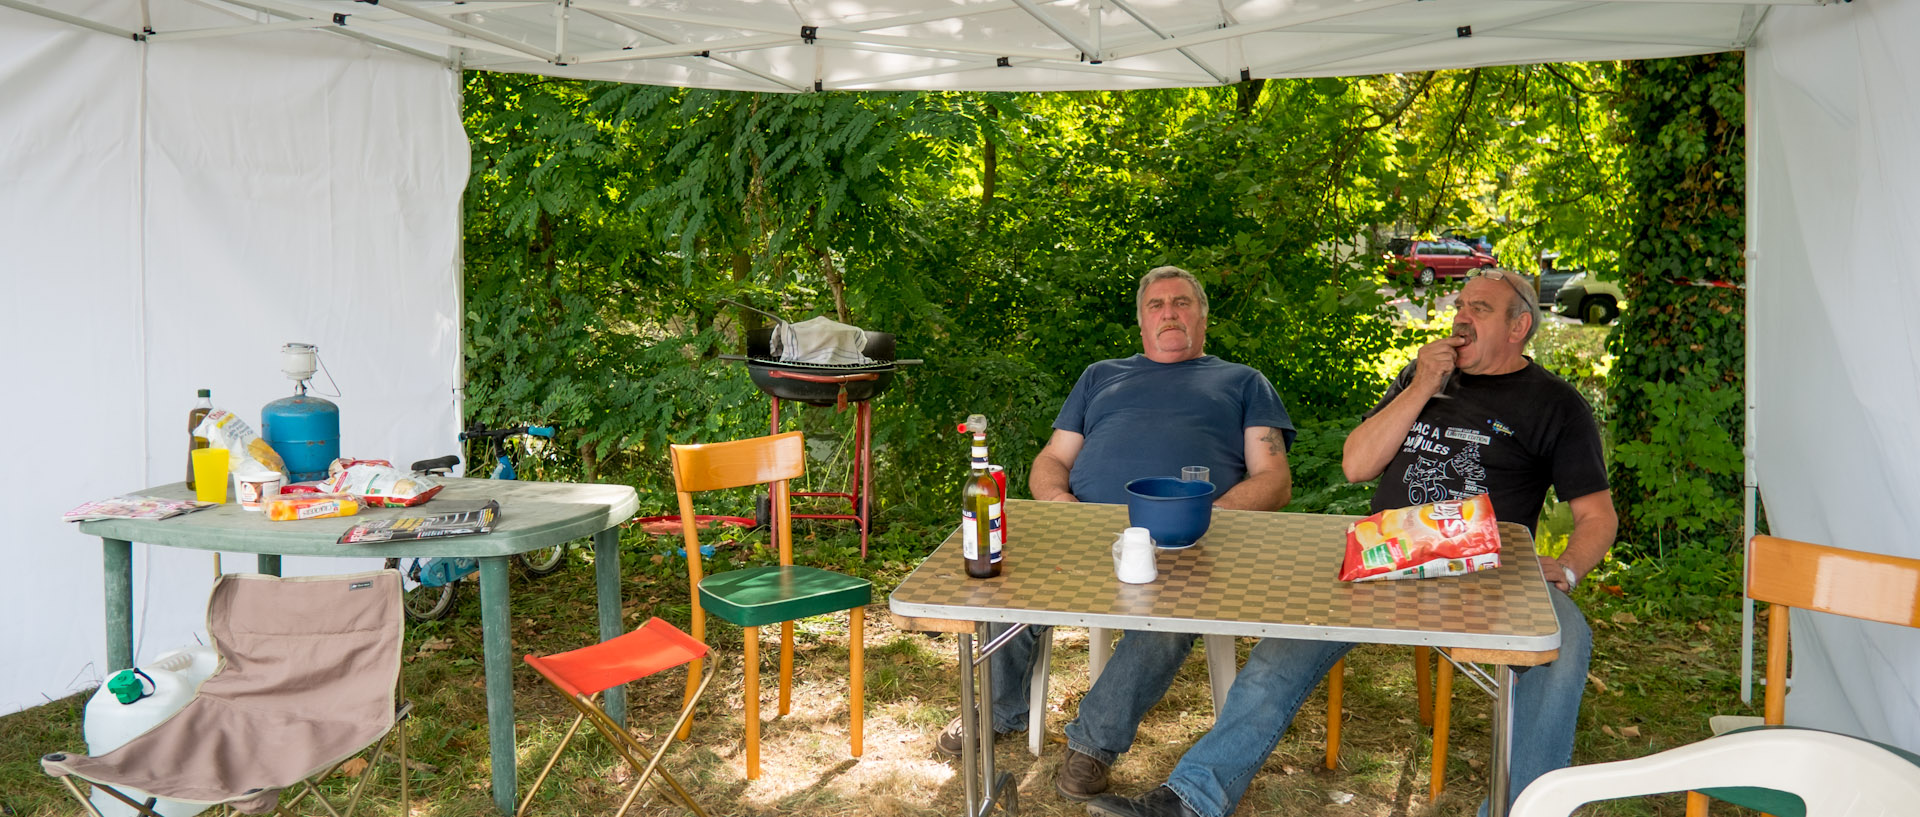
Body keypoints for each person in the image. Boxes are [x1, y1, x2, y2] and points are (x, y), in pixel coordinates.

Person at [1086, 269, 1617, 817]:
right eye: (1460, 304)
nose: (1460, 316)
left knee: (1565, 641)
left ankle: (1523, 809)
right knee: (1278, 653)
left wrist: (1571, 568)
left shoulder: (1556, 404)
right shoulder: (1422, 376)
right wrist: (1419, 388)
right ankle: (1191, 800)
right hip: (1380, 556)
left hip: (1483, 570)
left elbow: (1597, 514)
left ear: (1519, 325)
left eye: (1479, 308)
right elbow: (1357, 463)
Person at [935, 266, 1297, 803]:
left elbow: (1273, 479)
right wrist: (1058, 503)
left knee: (1172, 619)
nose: (1169, 312)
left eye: (1181, 303)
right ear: (1141, 321)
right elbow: (1053, 458)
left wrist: (1203, 518)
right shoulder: (1102, 375)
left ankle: (1092, 746)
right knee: (1003, 575)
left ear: (1202, 316)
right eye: (1156, 305)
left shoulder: (1242, 382)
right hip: (1082, 528)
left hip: (1186, 542)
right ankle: (996, 709)